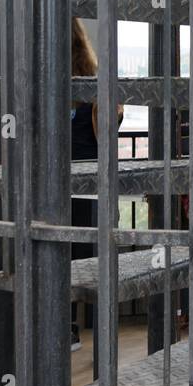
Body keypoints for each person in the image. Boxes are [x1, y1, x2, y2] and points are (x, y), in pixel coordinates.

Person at [70, 18, 122, 351]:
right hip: (92, 185)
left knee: (63, 257)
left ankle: (66, 326)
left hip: (63, 184)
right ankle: (100, 338)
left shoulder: (47, 79)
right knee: (93, 261)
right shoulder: (93, 76)